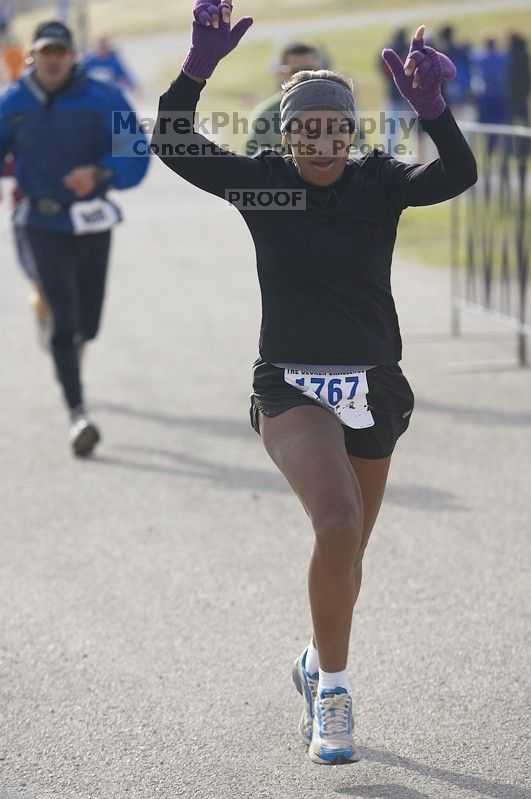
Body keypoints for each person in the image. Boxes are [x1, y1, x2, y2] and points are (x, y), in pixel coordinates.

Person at [151, 0, 477, 765]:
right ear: (285, 132)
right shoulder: (264, 186)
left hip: (374, 385)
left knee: (348, 554)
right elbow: (171, 138)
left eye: (335, 127)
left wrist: (433, 109)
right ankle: (333, 691)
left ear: (353, 131)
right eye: (306, 129)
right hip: (289, 385)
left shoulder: (377, 184)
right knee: (335, 523)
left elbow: (458, 173)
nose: (321, 141)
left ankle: (310, 658)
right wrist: (197, 66)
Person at [0, 20, 149, 456]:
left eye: (59, 52)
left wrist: (100, 172)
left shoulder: (104, 97)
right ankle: (78, 413)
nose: (51, 59)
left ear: (72, 56)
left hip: (91, 220)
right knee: (66, 321)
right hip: (40, 221)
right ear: (31, 57)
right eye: (43, 52)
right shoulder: (13, 101)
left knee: (88, 324)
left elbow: (134, 152)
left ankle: (52, 320)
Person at [244, 42, 327, 155]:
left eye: (309, 70)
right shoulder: (266, 115)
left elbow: (355, 153)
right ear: (281, 74)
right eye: (296, 72)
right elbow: (251, 162)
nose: (305, 77)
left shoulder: (338, 109)